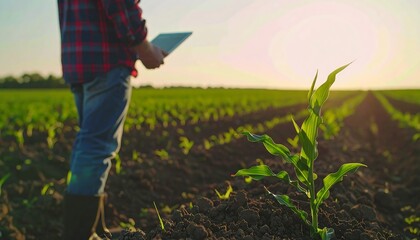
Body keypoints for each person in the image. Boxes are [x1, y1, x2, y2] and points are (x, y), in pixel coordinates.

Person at [57, 0, 166, 239]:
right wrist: (145, 49)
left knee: (89, 144)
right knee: (95, 148)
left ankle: (95, 229)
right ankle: (81, 235)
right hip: (106, 63)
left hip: (78, 62)